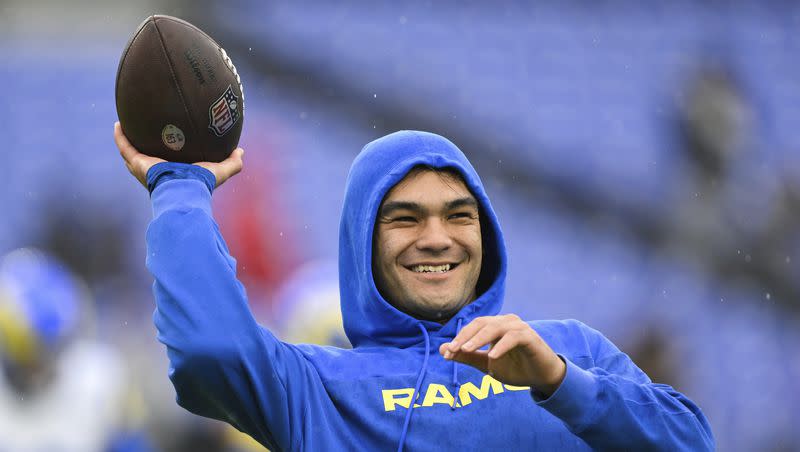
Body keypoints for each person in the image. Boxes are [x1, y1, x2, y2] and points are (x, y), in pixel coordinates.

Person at [115, 122, 714, 451]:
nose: (437, 238)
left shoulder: (569, 353)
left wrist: (559, 384)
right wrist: (180, 187)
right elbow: (209, 352)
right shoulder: (312, 391)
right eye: (404, 218)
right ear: (362, 243)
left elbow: (691, 445)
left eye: (459, 215)